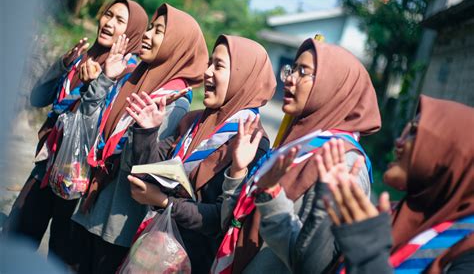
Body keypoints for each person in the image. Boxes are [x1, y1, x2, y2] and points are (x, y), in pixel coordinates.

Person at [213, 38, 381, 274]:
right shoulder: (296, 141)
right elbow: (234, 222)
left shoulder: (346, 161)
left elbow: (314, 264)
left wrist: (271, 196)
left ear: (333, 86)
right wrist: (238, 171)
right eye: (292, 69)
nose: (290, 79)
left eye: (304, 72)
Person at [5, 0, 148, 264]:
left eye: (120, 21)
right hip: (47, 164)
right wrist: (62, 64)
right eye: (108, 14)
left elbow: (101, 126)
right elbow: (38, 98)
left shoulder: (128, 76)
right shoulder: (81, 58)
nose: (109, 23)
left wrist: (100, 81)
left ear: (132, 34)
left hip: (80, 178)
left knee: (61, 251)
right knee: (18, 232)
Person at [71, 3, 209, 274]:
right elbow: (87, 125)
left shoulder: (174, 102)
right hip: (93, 202)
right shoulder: (131, 78)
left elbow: (145, 166)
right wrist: (105, 81)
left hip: (119, 223)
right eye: (149, 28)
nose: (147, 35)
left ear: (176, 44)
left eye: (159, 31)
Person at [127, 35, 277, 273]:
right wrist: (147, 130)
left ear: (242, 77)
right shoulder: (194, 120)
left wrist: (163, 202)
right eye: (209, 63)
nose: (207, 72)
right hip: (156, 246)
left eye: (218, 66)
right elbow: (150, 171)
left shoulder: (252, 141)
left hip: (193, 260)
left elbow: (220, 218)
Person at [324, 95, 474, 273]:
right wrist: (322, 199)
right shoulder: (391, 216)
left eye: (414, 132)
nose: (399, 141)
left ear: (452, 154)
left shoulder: (467, 251)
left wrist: (369, 256)